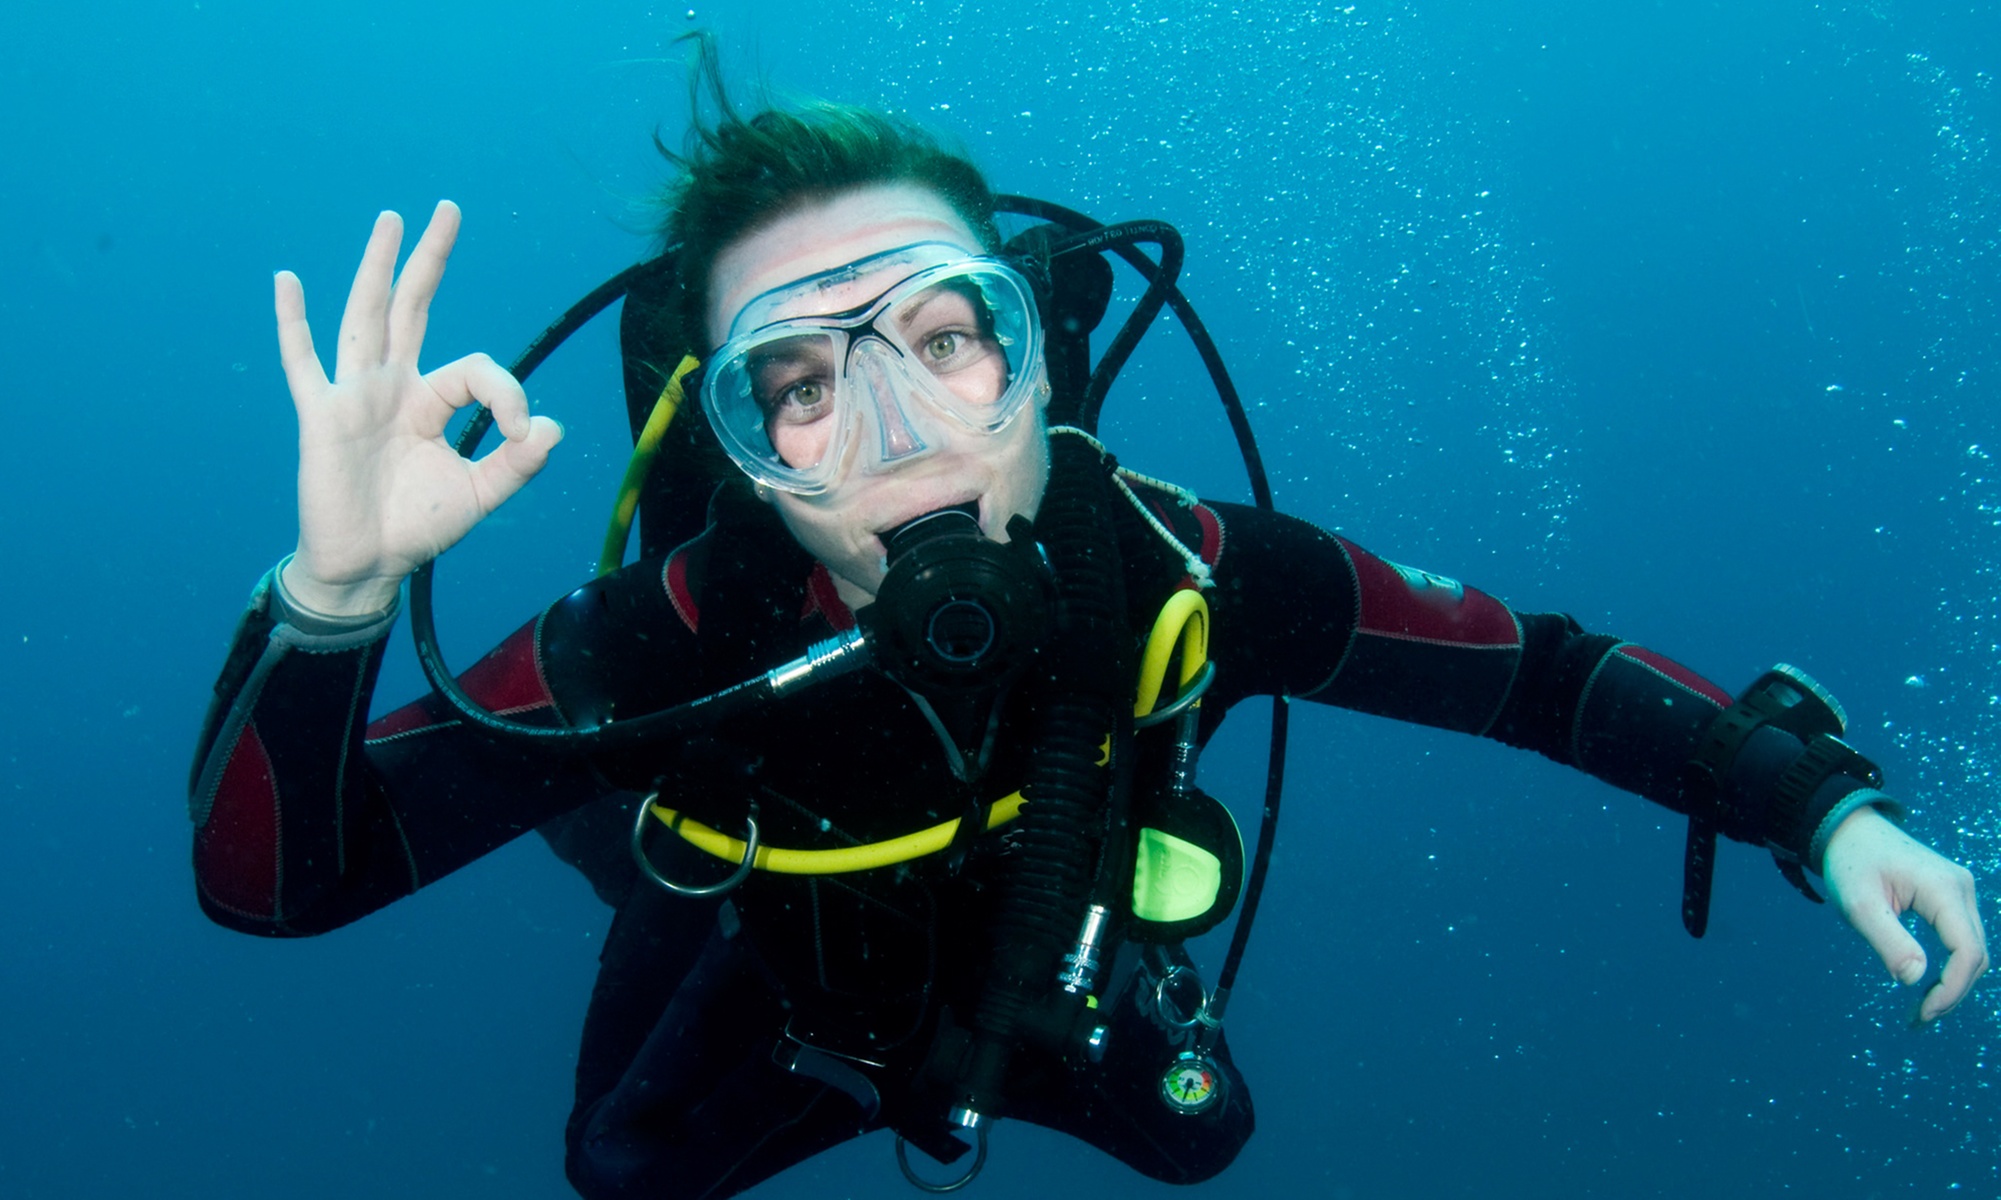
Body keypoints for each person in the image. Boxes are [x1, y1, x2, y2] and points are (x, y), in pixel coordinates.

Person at [189, 56, 1988, 1200]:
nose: (899, 436)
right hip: (765, 975)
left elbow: (1533, 670)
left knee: (1205, 1147)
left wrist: (1816, 808)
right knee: (620, 1167)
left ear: (1036, 352)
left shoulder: (1175, 563)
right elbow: (277, 885)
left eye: (945, 340)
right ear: (739, 446)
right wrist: (334, 597)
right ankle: (616, 829)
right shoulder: (669, 630)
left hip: (1049, 971)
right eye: (801, 385)